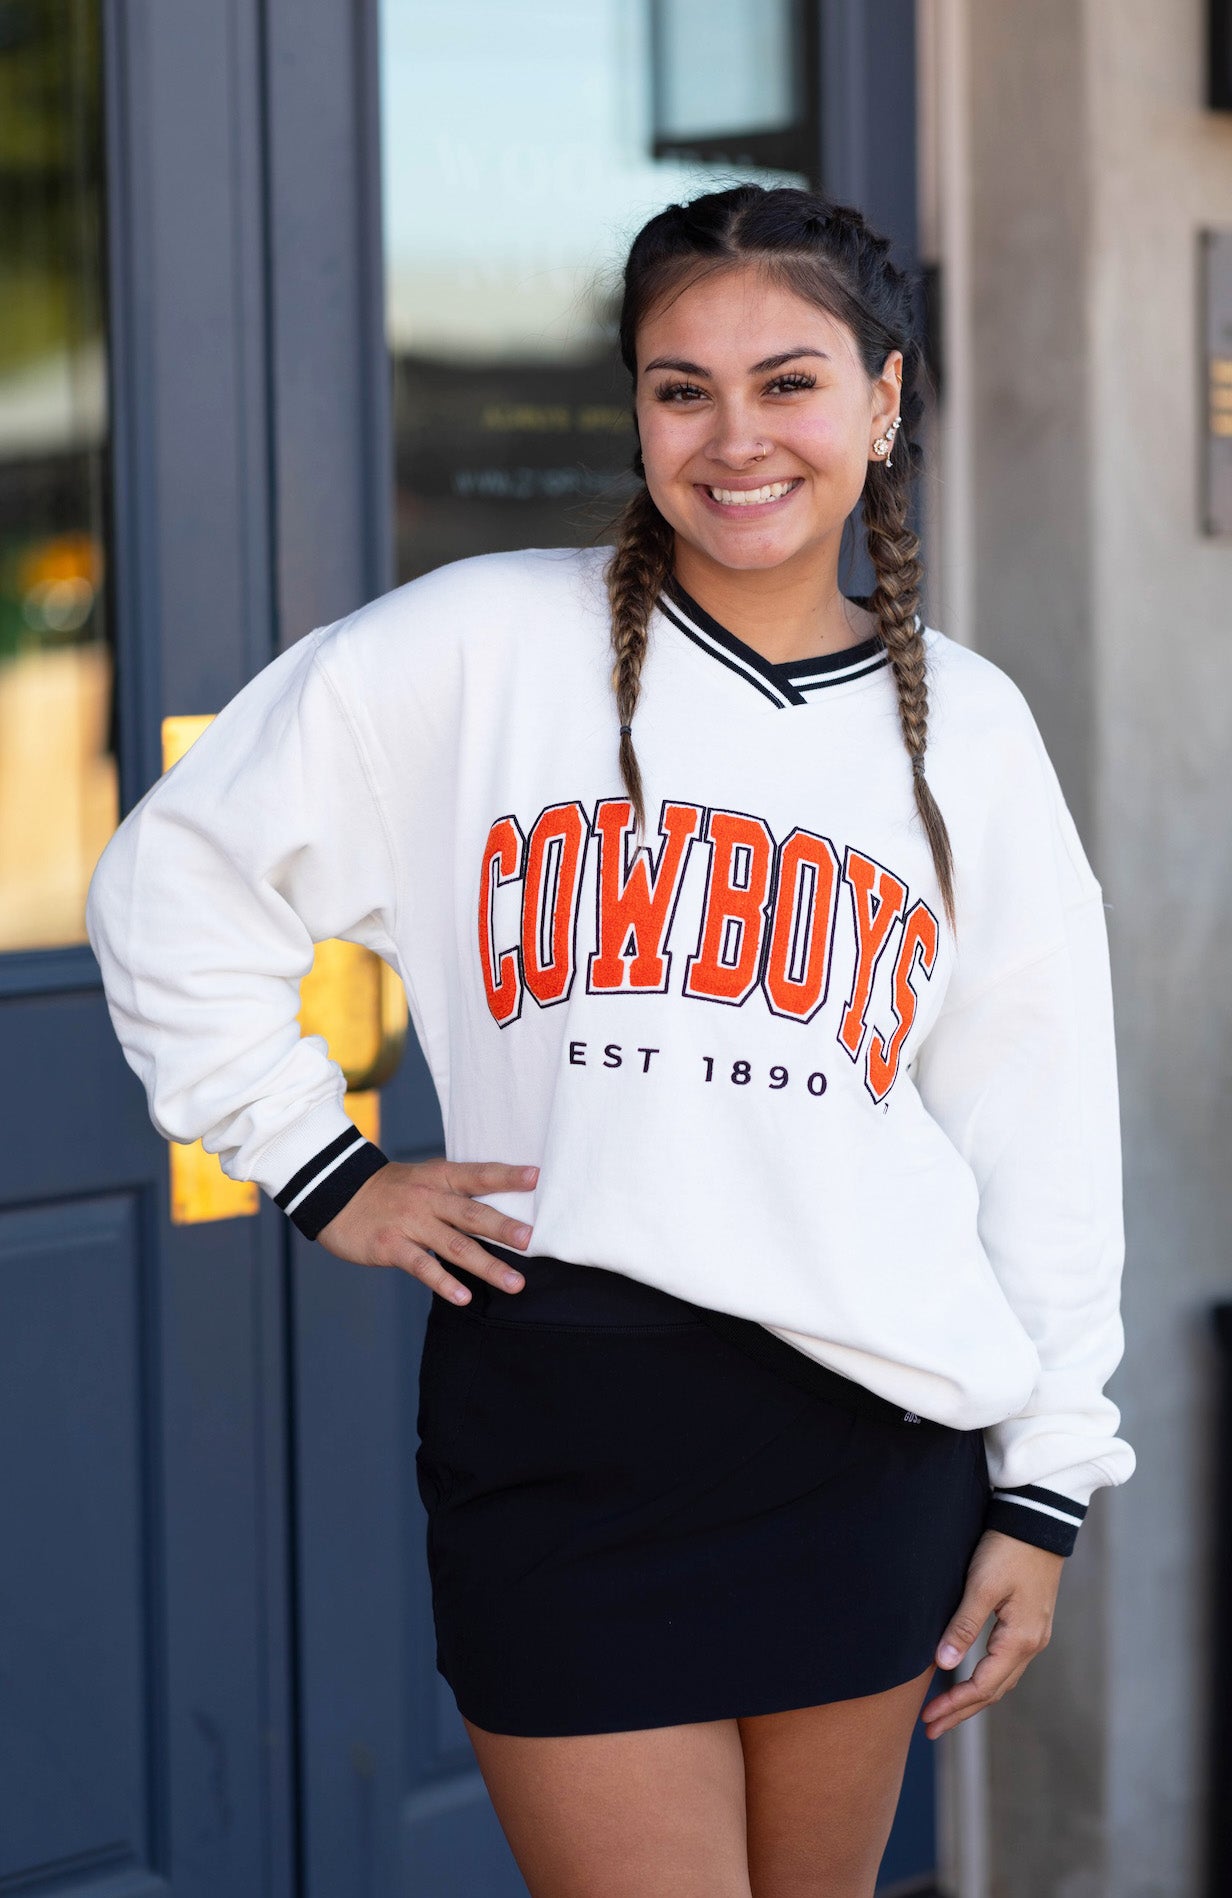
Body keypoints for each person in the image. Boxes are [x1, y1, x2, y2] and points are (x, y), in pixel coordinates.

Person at [86, 183, 1135, 1897]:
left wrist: (1046, 1488)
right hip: (568, 1423)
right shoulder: (480, 646)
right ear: (635, 407)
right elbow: (177, 884)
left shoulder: (980, 734)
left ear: (883, 400)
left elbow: (1038, 1128)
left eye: (788, 382)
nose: (735, 438)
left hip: (870, 1441)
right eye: (679, 387)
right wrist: (317, 1162)